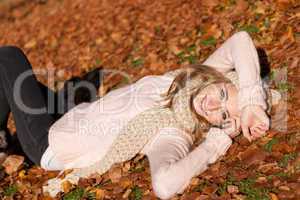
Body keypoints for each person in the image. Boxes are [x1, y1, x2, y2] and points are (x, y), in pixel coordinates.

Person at [0, 31, 275, 199]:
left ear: (221, 126)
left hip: (51, 143)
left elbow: (165, 185)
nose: (213, 106)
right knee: (17, 83)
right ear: (218, 78)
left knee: (9, 58)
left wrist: (216, 144)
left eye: (224, 116)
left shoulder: (172, 133)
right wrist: (252, 103)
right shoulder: (188, 81)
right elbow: (240, 40)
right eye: (224, 95)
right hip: (74, 114)